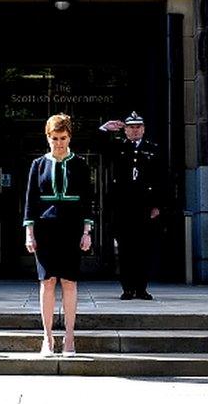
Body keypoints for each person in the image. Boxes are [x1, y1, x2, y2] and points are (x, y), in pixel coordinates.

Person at [24, 114, 93, 356]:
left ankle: (70, 338)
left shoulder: (81, 164)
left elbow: (87, 201)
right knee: (47, 282)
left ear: (70, 137)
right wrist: (29, 233)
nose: (59, 143)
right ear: (48, 137)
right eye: (54, 138)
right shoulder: (38, 165)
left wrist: (87, 232)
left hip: (71, 228)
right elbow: (30, 201)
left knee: (70, 282)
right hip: (45, 229)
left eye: (63, 138)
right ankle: (48, 337)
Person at [99, 111, 164, 300]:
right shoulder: (118, 147)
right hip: (123, 207)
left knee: (143, 249)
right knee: (126, 250)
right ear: (125, 130)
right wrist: (105, 129)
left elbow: (161, 179)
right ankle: (127, 288)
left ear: (143, 129)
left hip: (145, 207)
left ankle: (141, 288)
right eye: (131, 127)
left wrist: (158, 205)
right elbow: (99, 148)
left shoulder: (153, 149)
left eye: (138, 127)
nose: (135, 131)